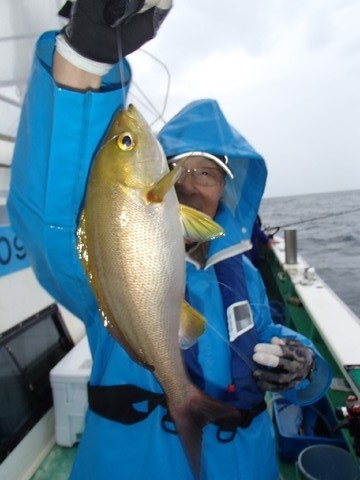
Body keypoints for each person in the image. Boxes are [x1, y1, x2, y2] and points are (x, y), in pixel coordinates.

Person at [7, 2, 332, 479]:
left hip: (246, 463)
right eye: (179, 166)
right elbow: (47, 222)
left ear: (227, 189)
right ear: (158, 170)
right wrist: (86, 61)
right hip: (134, 463)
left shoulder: (243, 271)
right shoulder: (112, 252)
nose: (191, 183)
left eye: (209, 173)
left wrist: (302, 364)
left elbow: (262, 336)